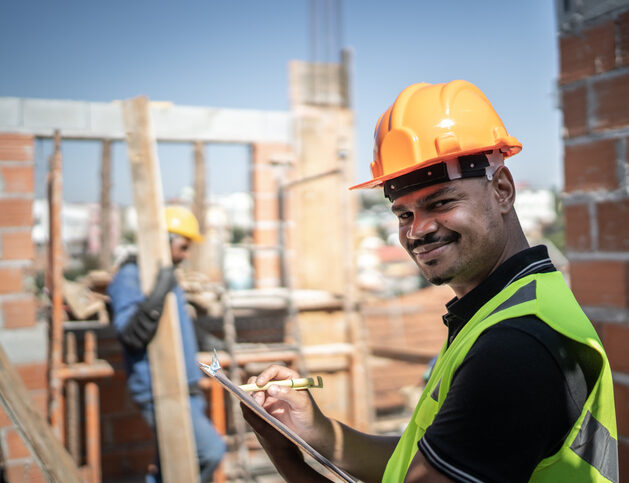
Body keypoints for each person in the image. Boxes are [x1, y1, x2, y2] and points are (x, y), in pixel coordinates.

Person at [241, 80, 618, 482]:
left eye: (440, 202)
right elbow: (419, 462)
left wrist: (287, 461)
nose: (417, 230)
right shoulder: (510, 307)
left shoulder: (512, 348)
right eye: (403, 214)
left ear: (503, 190)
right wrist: (314, 431)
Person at [108, 206, 225, 483]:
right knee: (210, 451)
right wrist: (158, 292)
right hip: (161, 390)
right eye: (183, 247)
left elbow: (173, 325)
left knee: (171, 466)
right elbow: (130, 334)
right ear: (163, 240)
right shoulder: (131, 276)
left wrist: (208, 340)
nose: (185, 256)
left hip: (185, 387)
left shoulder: (167, 276)